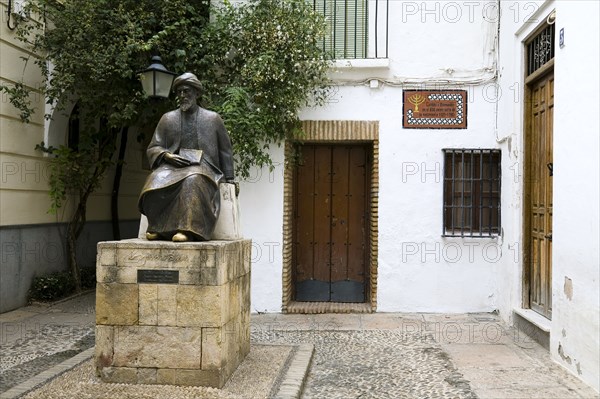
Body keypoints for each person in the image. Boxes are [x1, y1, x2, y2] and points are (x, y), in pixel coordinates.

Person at [138, 72, 235, 242]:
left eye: (187, 91)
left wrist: (230, 178)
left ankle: (186, 229)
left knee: (193, 180)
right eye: (180, 92)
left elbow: (225, 150)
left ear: (196, 93)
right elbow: (154, 146)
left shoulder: (213, 119)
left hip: (204, 166)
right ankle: (158, 227)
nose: (182, 96)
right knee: (155, 179)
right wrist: (167, 155)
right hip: (173, 165)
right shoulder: (168, 119)